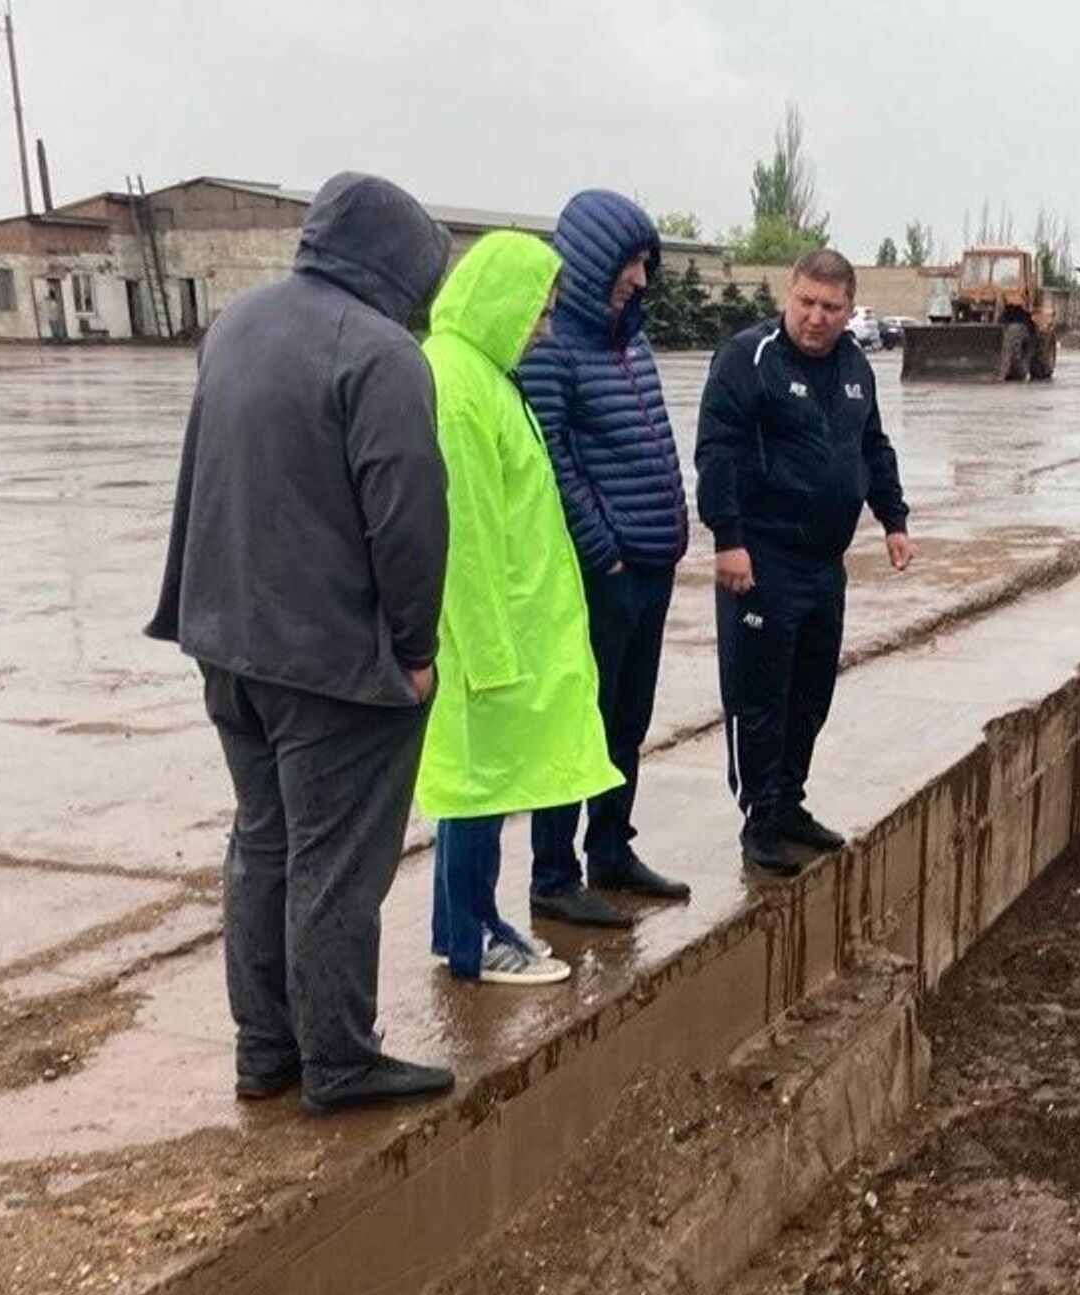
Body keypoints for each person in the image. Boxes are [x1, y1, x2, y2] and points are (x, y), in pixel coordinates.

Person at [147, 171, 457, 1117]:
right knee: (334, 863)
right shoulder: (383, 354)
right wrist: (413, 649)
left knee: (263, 844)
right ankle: (338, 1059)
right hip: (332, 663)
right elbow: (408, 520)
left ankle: (265, 1049)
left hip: (228, 643)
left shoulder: (238, 323)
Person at [417, 229, 622, 984]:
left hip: (513, 626)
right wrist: (487, 652)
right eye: (538, 310)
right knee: (477, 789)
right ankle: (475, 939)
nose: (543, 328)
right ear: (501, 298)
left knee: (479, 791)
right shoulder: (460, 388)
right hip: (488, 639)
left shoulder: (484, 375)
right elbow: (464, 537)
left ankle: (462, 925)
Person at [694, 247, 912, 876]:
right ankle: (760, 819)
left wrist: (893, 519)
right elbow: (717, 451)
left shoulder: (854, 366)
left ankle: (789, 802)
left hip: (823, 564)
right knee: (760, 695)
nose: (816, 318)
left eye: (831, 308)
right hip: (762, 560)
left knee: (810, 692)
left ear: (850, 309)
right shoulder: (748, 359)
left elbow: (872, 446)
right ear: (788, 294)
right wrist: (728, 538)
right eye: (806, 302)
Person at [517, 190, 691, 930]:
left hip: (651, 566)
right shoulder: (553, 348)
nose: (641, 280)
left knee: (627, 720)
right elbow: (551, 461)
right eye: (631, 264)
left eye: (646, 265)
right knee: (578, 724)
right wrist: (605, 552)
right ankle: (553, 875)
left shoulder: (631, 343)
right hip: (603, 574)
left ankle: (611, 850)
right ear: (592, 262)